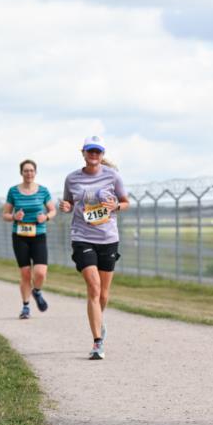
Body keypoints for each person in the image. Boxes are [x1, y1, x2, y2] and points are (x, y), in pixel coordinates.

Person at [59, 135, 130, 360]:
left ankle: (99, 321)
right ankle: (97, 342)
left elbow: (125, 202)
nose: (94, 155)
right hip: (82, 236)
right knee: (94, 287)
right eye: (90, 151)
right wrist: (66, 205)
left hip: (108, 237)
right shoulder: (72, 178)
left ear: (102, 154)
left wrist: (116, 205)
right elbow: (68, 203)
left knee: (104, 294)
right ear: (83, 153)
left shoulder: (113, 176)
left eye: (97, 151)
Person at [3, 159, 56, 319]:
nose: (29, 173)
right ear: (21, 173)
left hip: (38, 234)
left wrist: (45, 217)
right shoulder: (13, 191)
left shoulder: (43, 191)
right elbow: (4, 215)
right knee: (25, 273)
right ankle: (25, 307)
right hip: (20, 236)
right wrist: (14, 216)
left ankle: (37, 291)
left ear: (35, 172)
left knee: (40, 272)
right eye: (26, 170)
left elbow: (53, 210)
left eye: (31, 170)